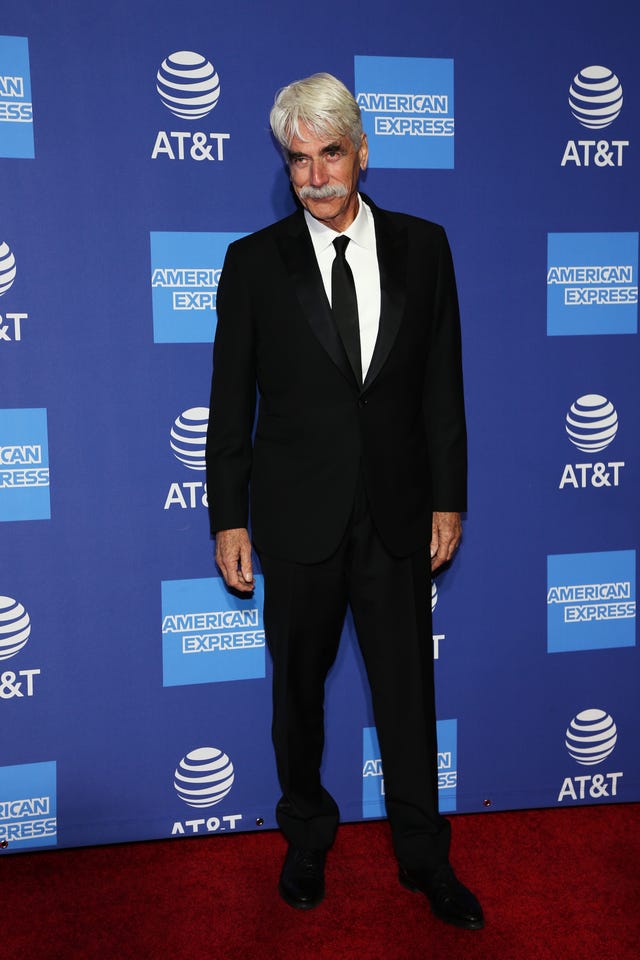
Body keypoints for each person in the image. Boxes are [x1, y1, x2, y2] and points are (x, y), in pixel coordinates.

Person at [205, 72, 483, 930]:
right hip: (295, 520)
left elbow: (443, 386)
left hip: (398, 513)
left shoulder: (425, 247)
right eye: (299, 160)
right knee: (299, 694)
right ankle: (305, 840)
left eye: (331, 154)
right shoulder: (253, 262)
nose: (317, 175)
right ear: (285, 165)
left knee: (409, 693)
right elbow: (229, 402)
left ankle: (424, 859)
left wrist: (449, 498)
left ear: (362, 152)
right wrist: (228, 515)